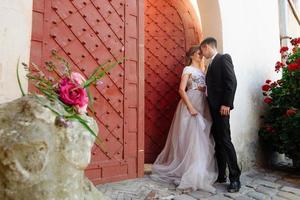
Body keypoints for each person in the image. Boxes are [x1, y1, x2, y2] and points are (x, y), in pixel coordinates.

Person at [151, 45, 218, 193]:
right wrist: (190, 107)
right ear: (192, 55)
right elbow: (181, 90)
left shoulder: (202, 70)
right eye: (198, 53)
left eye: (201, 53)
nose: (201, 55)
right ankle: (190, 171)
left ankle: (199, 169)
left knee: (203, 137)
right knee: (192, 137)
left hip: (203, 104)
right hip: (191, 103)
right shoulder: (187, 70)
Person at [200, 37, 241, 193]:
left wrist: (227, 103)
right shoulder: (211, 64)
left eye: (202, 51)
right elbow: (214, 86)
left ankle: (235, 178)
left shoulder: (224, 58)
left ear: (206, 47)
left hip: (222, 108)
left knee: (225, 140)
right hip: (213, 109)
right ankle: (222, 175)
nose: (202, 54)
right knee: (218, 141)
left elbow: (232, 82)